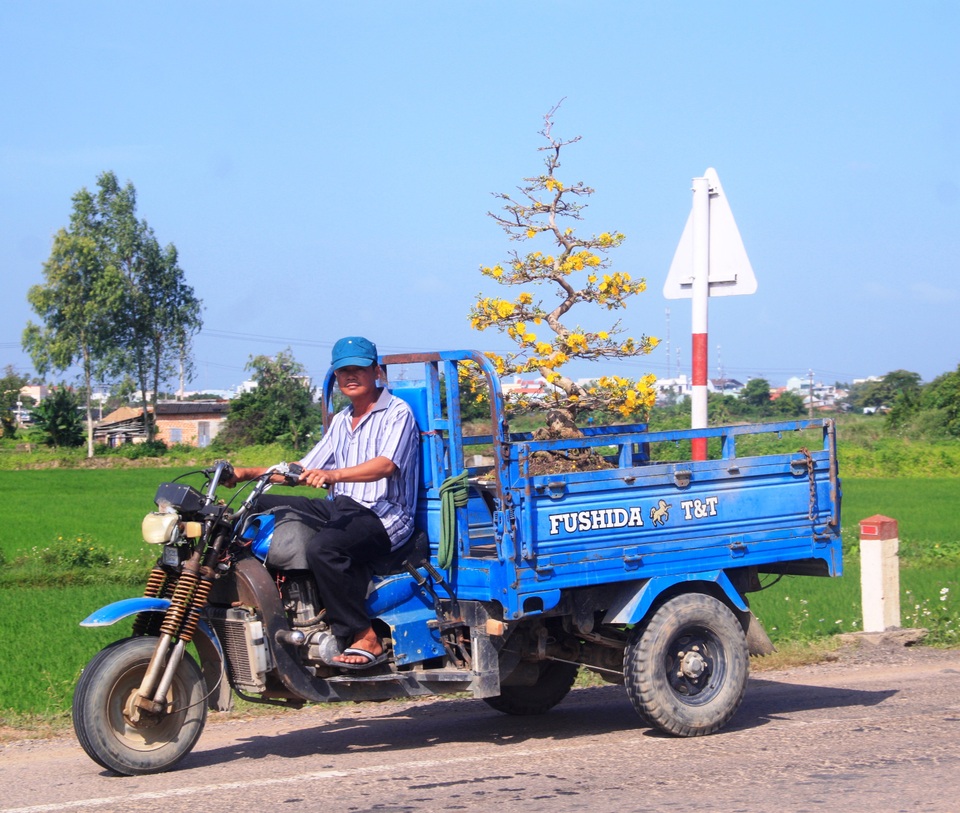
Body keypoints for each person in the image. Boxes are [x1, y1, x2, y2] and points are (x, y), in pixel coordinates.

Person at [227, 336, 419, 668]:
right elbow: (303, 469)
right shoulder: (342, 420)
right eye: (343, 371)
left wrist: (333, 476)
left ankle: (365, 636)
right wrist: (248, 473)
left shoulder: (397, 412)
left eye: (358, 369)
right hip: (343, 506)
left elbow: (386, 465)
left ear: (376, 371)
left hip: (385, 516)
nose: (350, 376)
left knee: (324, 549)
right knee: (265, 506)